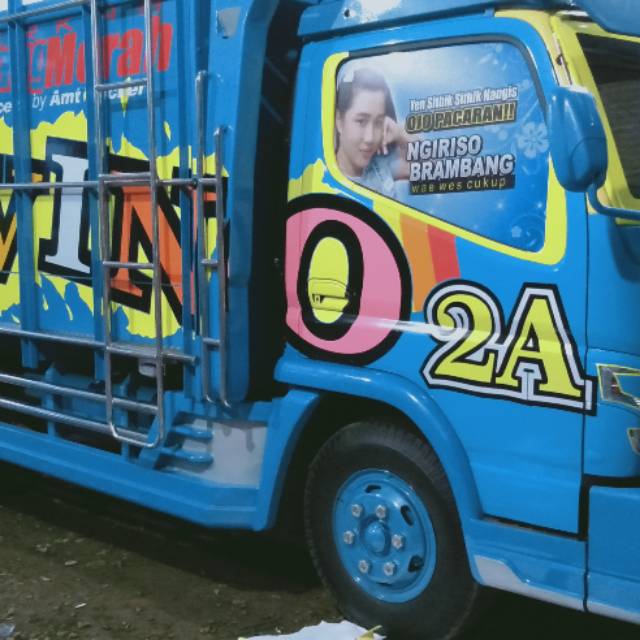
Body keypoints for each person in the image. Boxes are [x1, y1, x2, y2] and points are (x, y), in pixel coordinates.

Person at [335, 67, 411, 199]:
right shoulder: (326, 179)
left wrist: (399, 132)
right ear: (339, 121)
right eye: (361, 121)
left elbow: (437, 168)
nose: (370, 138)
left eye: (378, 122)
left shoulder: (381, 167)